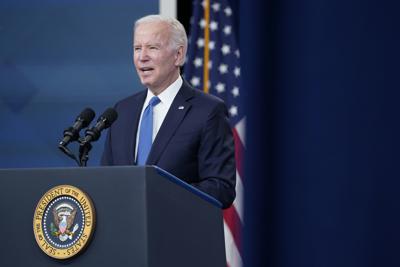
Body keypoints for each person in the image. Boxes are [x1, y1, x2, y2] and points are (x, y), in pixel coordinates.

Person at [101, 15, 235, 209]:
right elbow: (107, 180)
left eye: (152, 47)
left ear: (178, 55)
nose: (142, 56)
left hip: (177, 234)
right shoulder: (122, 111)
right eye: (137, 48)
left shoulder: (208, 111)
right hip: (126, 235)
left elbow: (221, 188)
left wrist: (160, 196)